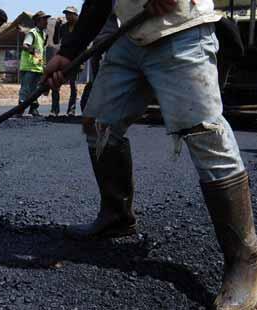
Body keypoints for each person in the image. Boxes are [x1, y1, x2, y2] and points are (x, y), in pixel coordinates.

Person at [44, 0, 257, 308]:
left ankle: (245, 262)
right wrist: (68, 51)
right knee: (99, 124)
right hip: (130, 39)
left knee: (205, 135)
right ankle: (116, 216)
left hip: (182, 29)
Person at [17, 11, 51, 117]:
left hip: (37, 67)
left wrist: (42, 63)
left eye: (46, 19)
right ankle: (20, 110)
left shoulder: (43, 35)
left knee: (35, 90)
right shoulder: (33, 33)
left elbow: (41, 51)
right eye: (44, 19)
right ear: (38, 21)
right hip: (29, 67)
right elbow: (25, 46)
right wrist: (35, 52)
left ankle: (34, 109)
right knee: (26, 89)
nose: (46, 22)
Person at [50, 6, 79, 117]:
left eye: (70, 14)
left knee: (73, 85)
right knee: (56, 83)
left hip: (76, 59)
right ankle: (54, 110)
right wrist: (57, 27)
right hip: (63, 57)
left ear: (76, 15)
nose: (67, 16)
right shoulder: (63, 27)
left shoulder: (81, 27)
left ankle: (71, 110)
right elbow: (56, 41)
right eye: (66, 14)